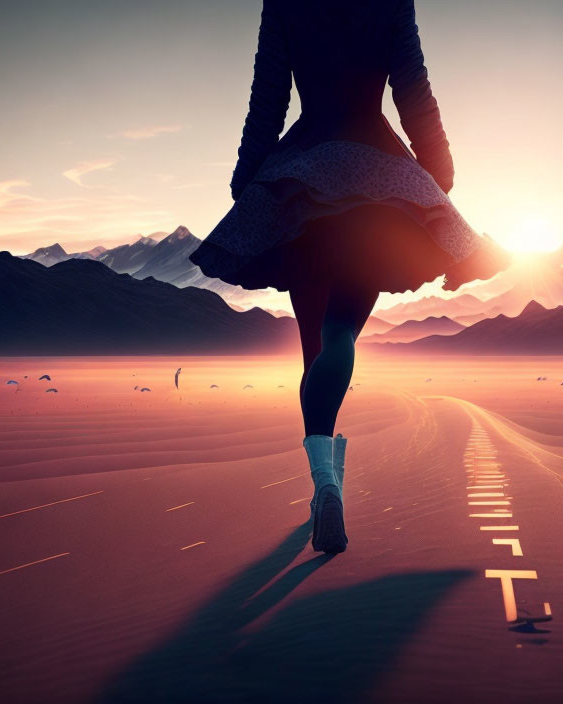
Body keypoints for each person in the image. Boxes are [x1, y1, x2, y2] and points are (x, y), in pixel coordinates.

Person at [189, 0, 511, 554]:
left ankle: (325, 485)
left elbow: (268, 95)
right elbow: (414, 90)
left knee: (312, 346)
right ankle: (328, 489)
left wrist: (250, 181)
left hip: (303, 178)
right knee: (340, 334)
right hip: (378, 177)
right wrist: (436, 174)